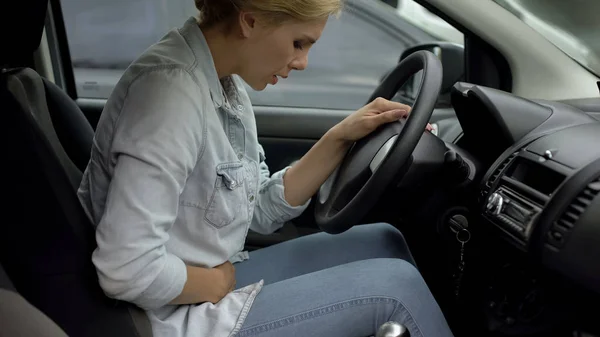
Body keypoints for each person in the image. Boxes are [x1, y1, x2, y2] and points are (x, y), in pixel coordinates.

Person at [77, 0, 454, 336]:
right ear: (250, 21)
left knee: (383, 241)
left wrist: (340, 137)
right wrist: (212, 284)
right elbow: (126, 268)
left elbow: (256, 210)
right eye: (298, 43)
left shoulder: (226, 87)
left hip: (207, 281)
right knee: (396, 289)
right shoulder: (170, 97)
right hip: (172, 315)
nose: (302, 62)